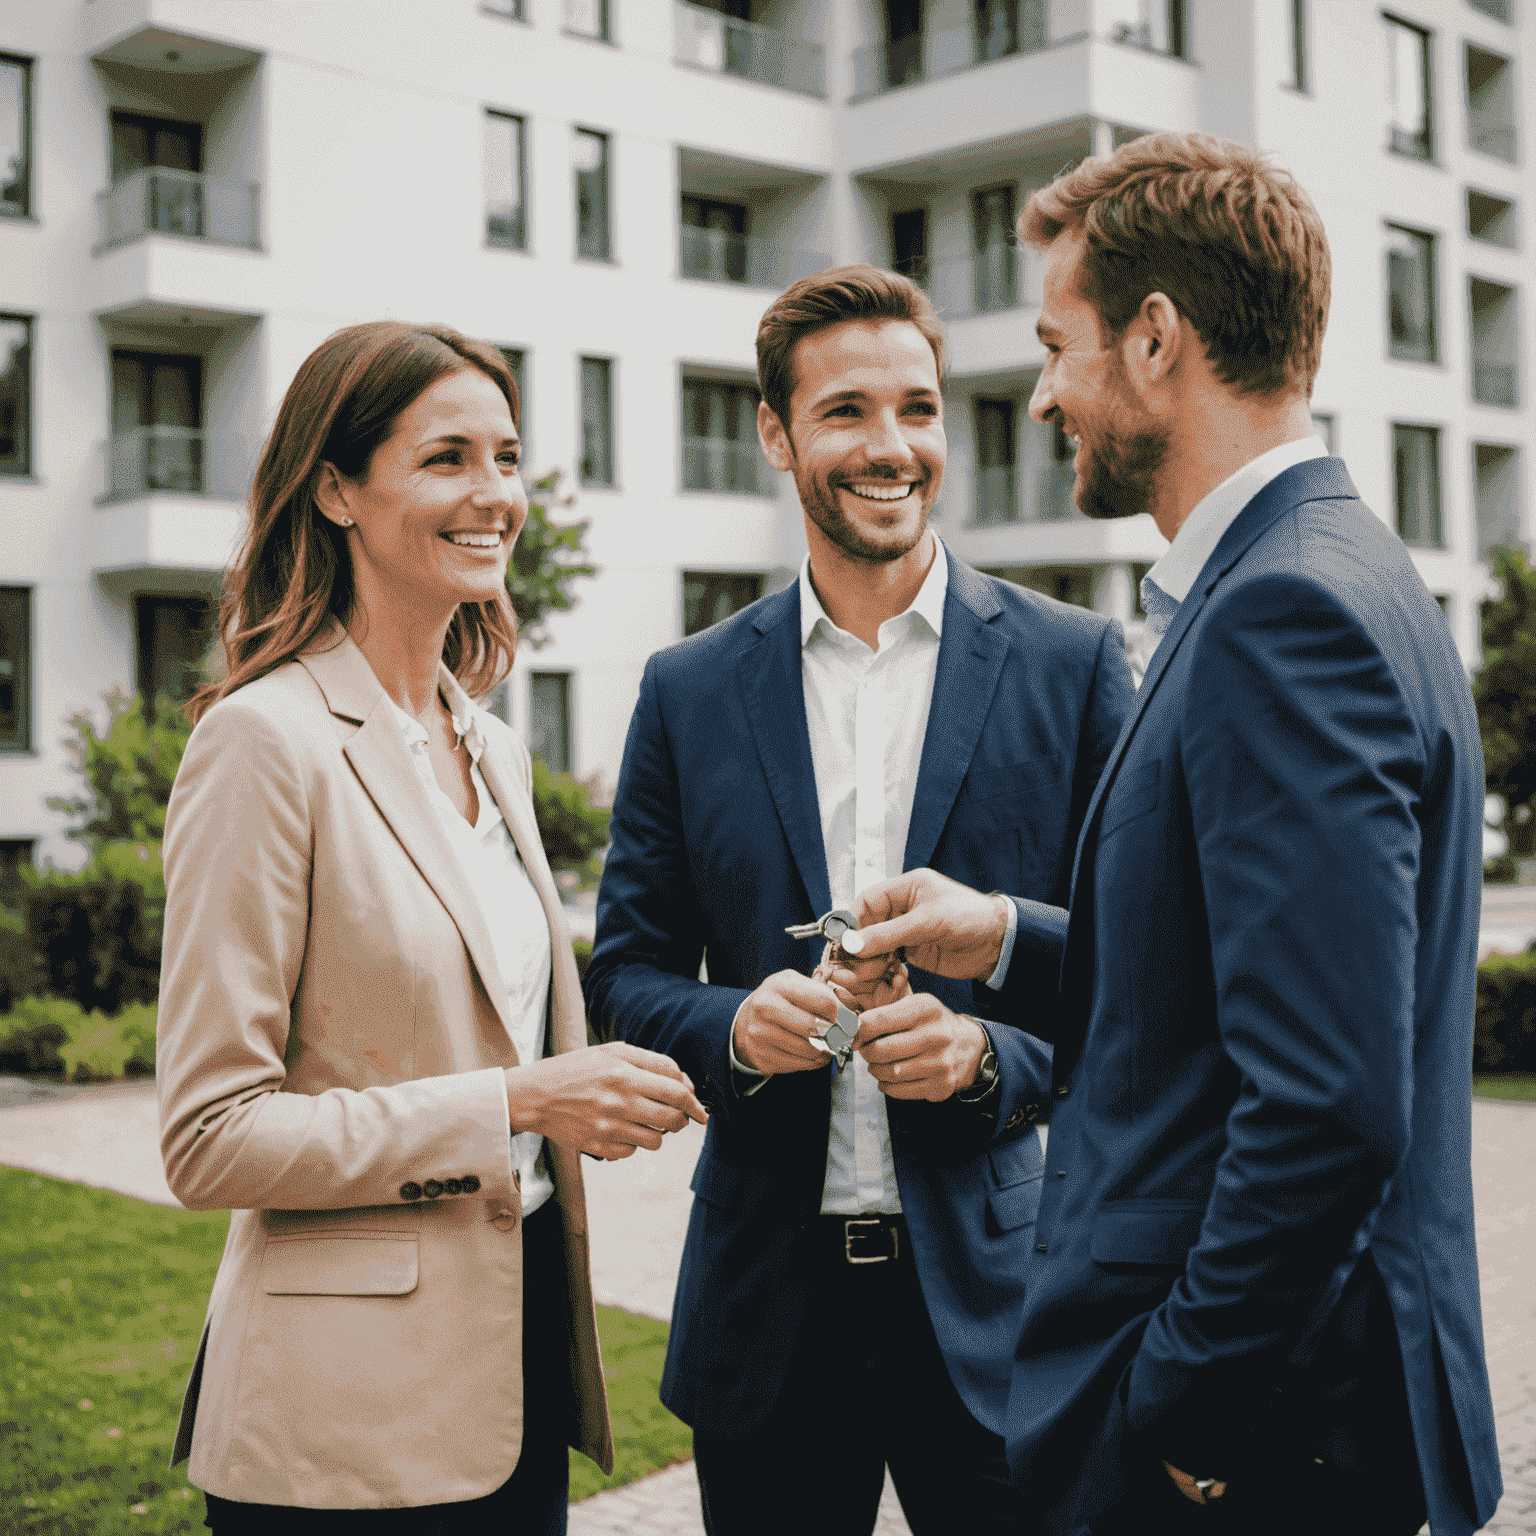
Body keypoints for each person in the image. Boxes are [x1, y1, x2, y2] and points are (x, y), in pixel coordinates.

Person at [831, 133, 1503, 1536]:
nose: (1039, 397)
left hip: (1256, 1459)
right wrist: (1007, 935)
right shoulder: (1331, 568)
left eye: (1056, 344)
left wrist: (1185, 1408)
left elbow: (1326, 1103)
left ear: (1154, 339)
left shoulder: (1283, 616)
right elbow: (1229, 993)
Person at [584, 265, 1133, 1536]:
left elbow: (1137, 979)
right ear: (776, 436)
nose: (891, 448)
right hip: (765, 1310)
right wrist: (729, 1028)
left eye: (919, 410)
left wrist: (988, 1054)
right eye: (845, 412)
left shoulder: (1074, 664)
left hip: (1001, 1305)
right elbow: (621, 974)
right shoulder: (688, 689)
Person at [156, 321, 707, 1535]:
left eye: (506, 458)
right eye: (447, 458)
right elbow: (210, 1138)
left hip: (514, 1380)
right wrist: (518, 1104)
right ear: (338, 490)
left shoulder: (489, 741)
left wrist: (599, 1095)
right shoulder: (263, 743)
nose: (494, 495)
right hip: (340, 1423)